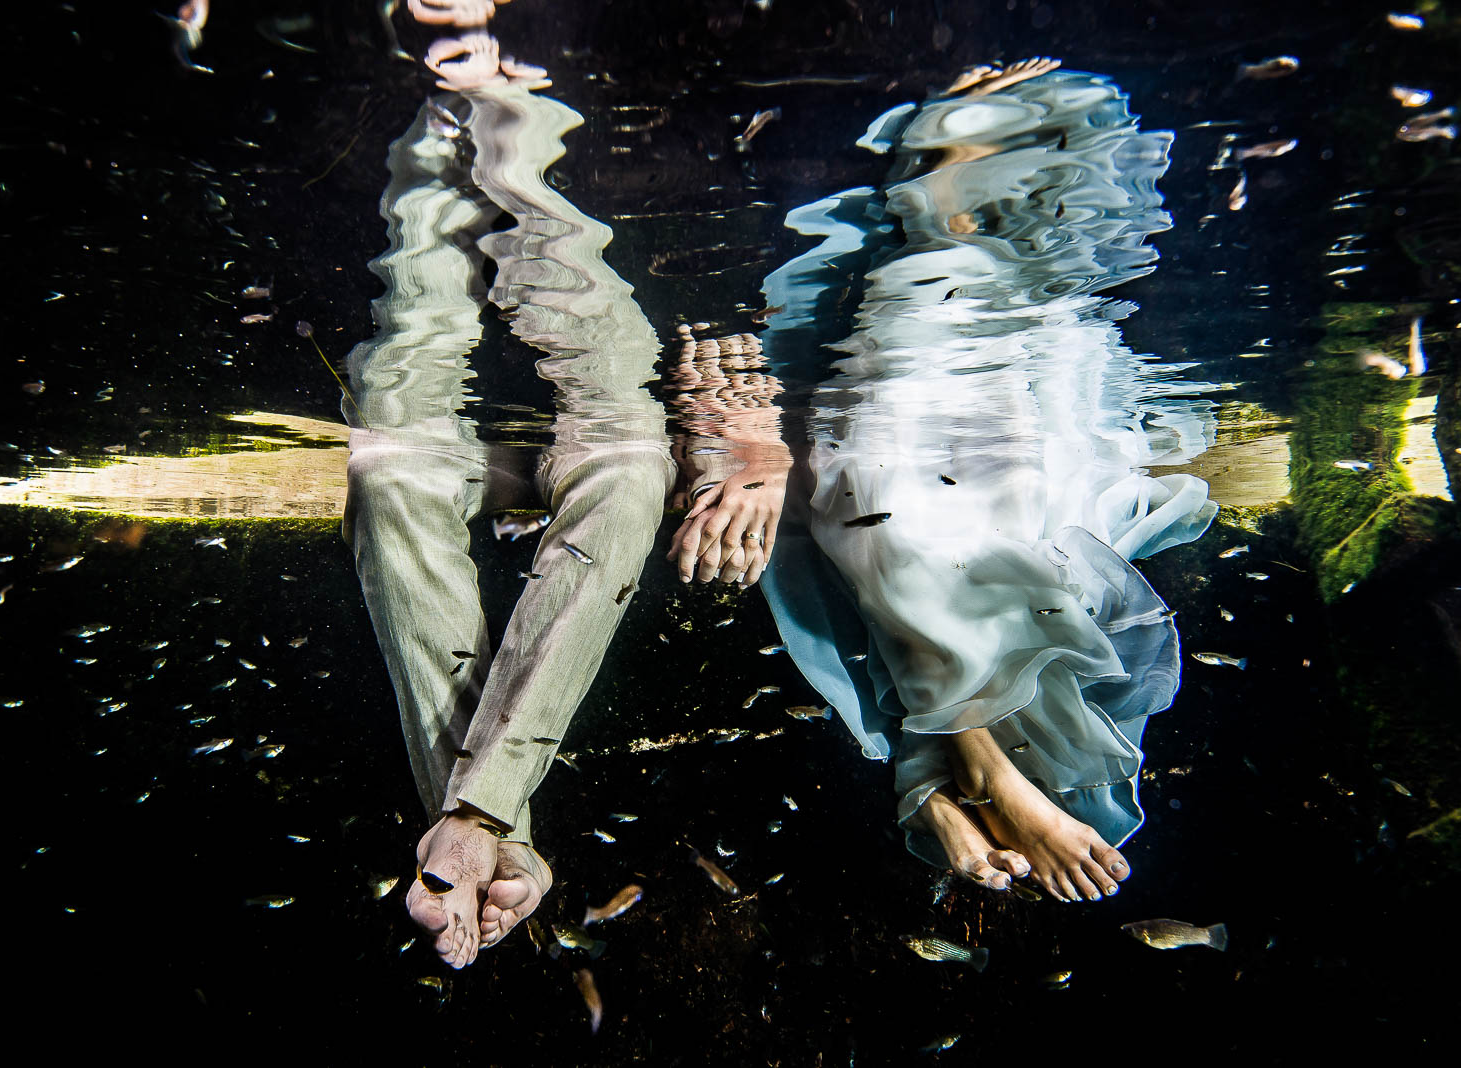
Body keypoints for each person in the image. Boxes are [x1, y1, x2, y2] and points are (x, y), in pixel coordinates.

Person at [688, 60, 1220, 903]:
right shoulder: (940, 263)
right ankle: (973, 769)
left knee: (937, 544)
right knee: (921, 533)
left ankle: (943, 770)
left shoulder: (1018, 277)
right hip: (946, 355)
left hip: (991, 368)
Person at [343, 49, 675, 967]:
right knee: (390, 475)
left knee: (631, 483)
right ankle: (493, 823)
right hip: (458, 423)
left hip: (599, 416)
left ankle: (475, 827)